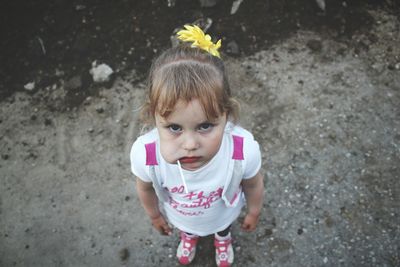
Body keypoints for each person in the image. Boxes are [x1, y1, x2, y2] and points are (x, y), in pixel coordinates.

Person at [130, 25, 264, 267]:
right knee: (188, 228)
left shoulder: (243, 151)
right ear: (153, 117)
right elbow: (145, 189)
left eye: (204, 126)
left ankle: (222, 238)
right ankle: (189, 235)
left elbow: (253, 183)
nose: (190, 145)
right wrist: (155, 215)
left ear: (227, 115)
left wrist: (253, 211)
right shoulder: (145, 155)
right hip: (180, 217)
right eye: (174, 128)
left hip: (223, 215)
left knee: (222, 227)